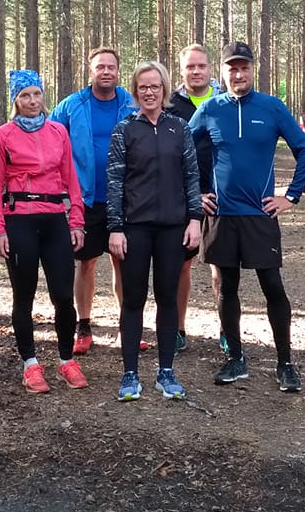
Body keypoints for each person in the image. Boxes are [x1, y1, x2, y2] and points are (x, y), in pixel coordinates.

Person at [188, 41, 305, 393]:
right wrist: (195, 193)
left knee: (272, 286)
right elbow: (181, 149)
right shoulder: (211, 109)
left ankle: (285, 363)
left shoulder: (271, 107)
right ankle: (235, 358)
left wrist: (291, 196)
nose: (238, 74)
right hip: (222, 215)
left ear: (252, 70)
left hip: (260, 215)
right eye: (232, 68)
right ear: (223, 72)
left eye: (244, 67)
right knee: (226, 287)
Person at [0, 70, 90, 394]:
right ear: (15, 100)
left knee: (63, 295)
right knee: (24, 295)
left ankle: (66, 360)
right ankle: (30, 364)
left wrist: (76, 220)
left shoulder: (58, 131)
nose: (32, 101)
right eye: (24, 96)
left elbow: (71, 178)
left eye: (36, 94)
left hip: (55, 218)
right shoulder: (3, 136)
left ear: (43, 96)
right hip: (19, 220)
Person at [107, 61, 204, 401]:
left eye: (155, 86)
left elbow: (192, 177)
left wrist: (195, 219)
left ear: (164, 89)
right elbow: (114, 181)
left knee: (167, 297)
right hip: (134, 228)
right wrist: (115, 228)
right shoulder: (124, 130)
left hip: (173, 228)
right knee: (133, 300)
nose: (149, 92)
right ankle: (130, 374)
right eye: (143, 87)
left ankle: (166, 371)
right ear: (135, 91)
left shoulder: (180, 127)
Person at [49, 48, 138, 354]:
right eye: (100, 67)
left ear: (118, 71)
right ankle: (83, 327)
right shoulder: (72, 105)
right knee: (85, 263)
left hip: (124, 199)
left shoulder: (131, 104)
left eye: (111, 67)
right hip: (85, 200)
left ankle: (127, 327)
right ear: (91, 71)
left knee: (123, 262)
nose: (106, 72)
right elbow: (49, 139)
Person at [164, 43, 221, 354]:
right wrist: (193, 194)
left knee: (220, 268)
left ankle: (227, 330)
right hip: (182, 196)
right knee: (181, 267)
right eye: (190, 67)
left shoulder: (225, 101)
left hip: (222, 196)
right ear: (181, 70)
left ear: (210, 68)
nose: (196, 71)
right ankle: (177, 328)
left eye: (201, 66)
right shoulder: (170, 105)